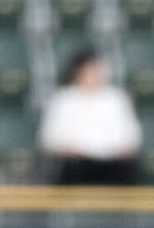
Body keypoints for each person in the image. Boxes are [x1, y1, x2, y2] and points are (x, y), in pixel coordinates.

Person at [37, 49, 142, 185]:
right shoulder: (63, 100)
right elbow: (49, 140)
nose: (93, 75)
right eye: (88, 71)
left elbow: (132, 139)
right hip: (77, 166)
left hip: (113, 166)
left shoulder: (117, 98)